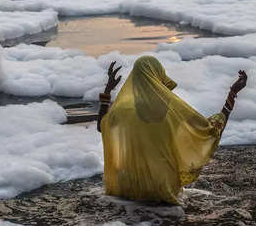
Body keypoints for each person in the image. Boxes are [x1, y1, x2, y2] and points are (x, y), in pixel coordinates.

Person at [97, 55, 247, 204]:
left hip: (128, 185)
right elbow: (210, 131)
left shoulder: (123, 110)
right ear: (158, 76)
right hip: (161, 186)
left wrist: (108, 91)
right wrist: (232, 94)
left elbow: (101, 127)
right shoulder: (172, 110)